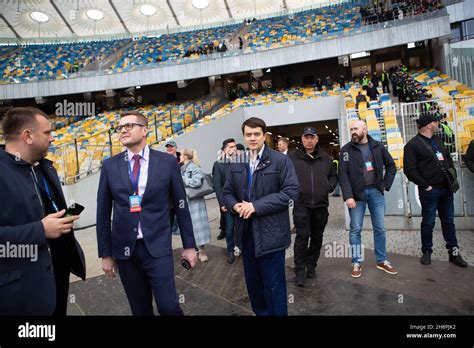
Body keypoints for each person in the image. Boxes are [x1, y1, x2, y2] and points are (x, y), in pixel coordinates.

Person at [96, 111, 197, 315]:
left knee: (169, 307)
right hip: (125, 251)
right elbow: (102, 212)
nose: (123, 130)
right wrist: (105, 254)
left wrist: (189, 246)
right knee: (140, 310)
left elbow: (181, 206)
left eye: (129, 126)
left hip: (157, 247)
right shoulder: (110, 165)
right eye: (120, 127)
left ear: (144, 130)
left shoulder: (167, 162)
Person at [0, 107, 85, 315]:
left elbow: (48, 210)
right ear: (27, 136)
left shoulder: (44, 167)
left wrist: (64, 219)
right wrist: (40, 230)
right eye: (47, 133)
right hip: (21, 292)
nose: (52, 138)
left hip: (57, 275)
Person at [223, 117, 299, 316]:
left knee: (274, 286)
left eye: (257, 134)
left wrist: (256, 206)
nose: (253, 138)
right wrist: (234, 205)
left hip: (271, 234)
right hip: (246, 234)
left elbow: (290, 192)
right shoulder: (236, 161)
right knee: (254, 286)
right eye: (248, 135)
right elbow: (227, 191)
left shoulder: (280, 160)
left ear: (264, 136)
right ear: (244, 137)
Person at [403, 114, 467, 268]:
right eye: (436, 121)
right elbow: (409, 170)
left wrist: (451, 177)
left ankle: (454, 253)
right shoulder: (412, 145)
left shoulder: (438, 140)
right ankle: (427, 251)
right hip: (430, 191)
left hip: (446, 189)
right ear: (429, 125)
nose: (438, 123)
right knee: (428, 222)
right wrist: (425, 185)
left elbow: (448, 160)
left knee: (448, 222)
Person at [339, 120, 398, 278]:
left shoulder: (378, 146)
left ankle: (381, 260)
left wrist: (386, 184)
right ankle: (356, 262)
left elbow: (392, 165)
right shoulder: (346, 150)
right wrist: (348, 196)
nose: (353, 131)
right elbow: (343, 175)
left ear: (365, 129)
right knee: (355, 230)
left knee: (380, 228)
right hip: (356, 196)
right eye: (351, 129)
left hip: (376, 192)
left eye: (356, 128)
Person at [289, 127, 337, 286]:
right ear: (302, 139)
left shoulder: (325, 158)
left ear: (316, 139)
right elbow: (285, 176)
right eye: (306, 137)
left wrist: (327, 187)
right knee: (302, 237)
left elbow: (333, 176)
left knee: (317, 237)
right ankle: (300, 270)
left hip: (321, 205)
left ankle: (311, 265)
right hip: (301, 204)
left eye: (312, 137)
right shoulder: (292, 158)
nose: (309, 140)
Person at [180, 148, 212, 262]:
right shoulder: (182, 168)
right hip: (187, 201)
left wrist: (182, 178)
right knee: (190, 227)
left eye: (181, 155)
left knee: (199, 227)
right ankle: (194, 250)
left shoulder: (194, 167)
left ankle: (202, 251)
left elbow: (197, 182)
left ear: (185, 156)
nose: (179, 157)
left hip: (196, 202)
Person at [213, 139, 238, 263]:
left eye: (234, 146)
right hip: (227, 202)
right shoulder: (219, 164)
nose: (233, 149)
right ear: (224, 150)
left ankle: (241, 247)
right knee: (229, 226)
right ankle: (230, 251)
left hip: (242, 202)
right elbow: (217, 186)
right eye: (230, 147)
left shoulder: (241, 162)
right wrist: (222, 204)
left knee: (241, 226)